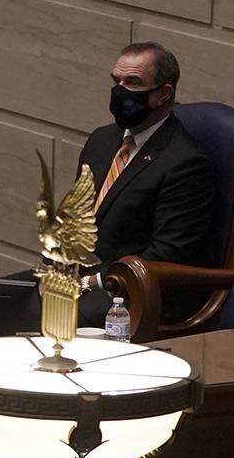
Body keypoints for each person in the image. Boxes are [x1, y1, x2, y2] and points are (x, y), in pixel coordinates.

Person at [61, 42, 215, 325]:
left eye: (132, 82)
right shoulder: (102, 139)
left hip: (129, 295)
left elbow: (168, 254)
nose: (119, 91)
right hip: (76, 280)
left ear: (163, 94)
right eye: (115, 81)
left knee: (28, 319)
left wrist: (94, 280)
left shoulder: (184, 162)